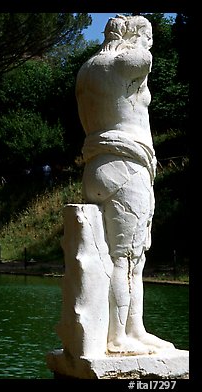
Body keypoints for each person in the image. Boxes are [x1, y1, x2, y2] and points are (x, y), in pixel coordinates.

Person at [76, 15, 174, 354]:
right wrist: (138, 37)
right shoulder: (126, 60)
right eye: (148, 37)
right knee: (127, 259)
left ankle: (134, 327)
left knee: (123, 257)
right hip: (127, 169)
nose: (151, 45)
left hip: (96, 166)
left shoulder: (87, 68)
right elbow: (143, 58)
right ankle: (119, 337)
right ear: (135, 36)